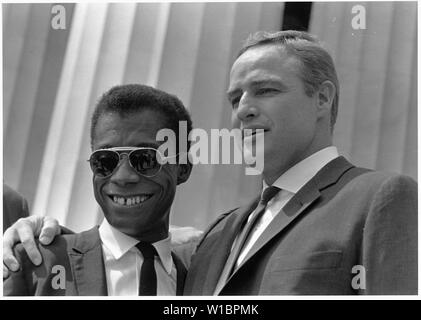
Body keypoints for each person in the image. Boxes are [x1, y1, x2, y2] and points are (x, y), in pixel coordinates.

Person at [4, 31, 417, 295]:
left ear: (322, 99)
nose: (244, 111)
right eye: (235, 99)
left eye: (265, 90)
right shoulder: (221, 232)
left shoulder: (380, 197)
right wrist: (38, 233)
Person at [3, 84, 196, 296]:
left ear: (183, 167)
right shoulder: (32, 263)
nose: (122, 177)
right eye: (105, 160)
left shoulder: (203, 281)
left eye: (145, 159)